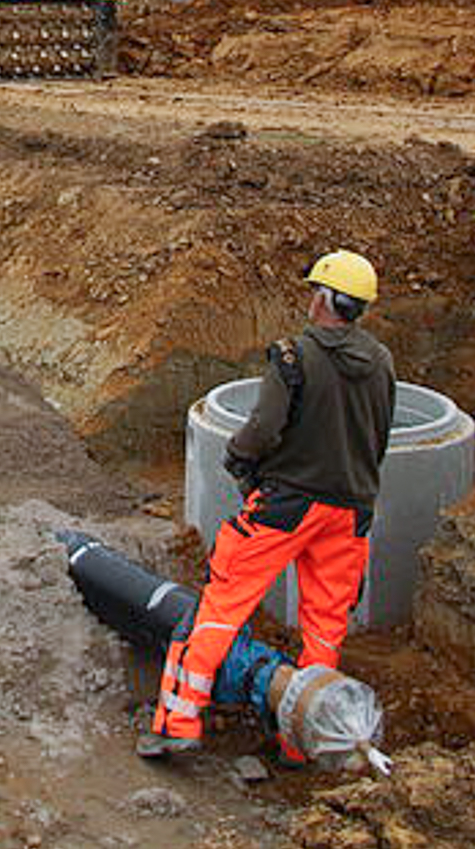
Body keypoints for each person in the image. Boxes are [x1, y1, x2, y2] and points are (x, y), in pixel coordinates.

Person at [139, 249, 395, 759]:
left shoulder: (295, 356)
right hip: (350, 510)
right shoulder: (382, 362)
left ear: (324, 298)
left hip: (286, 505)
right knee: (324, 625)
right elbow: (379, 435)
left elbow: (264, 426)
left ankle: (179, 721)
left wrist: (239, 458)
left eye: (312, 291)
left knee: (221, 605)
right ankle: (303, 739)